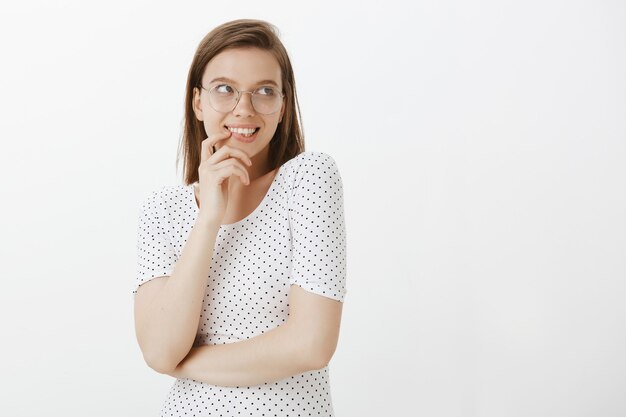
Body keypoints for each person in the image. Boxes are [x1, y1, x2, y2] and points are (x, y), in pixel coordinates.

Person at [132, 19, 348, 416]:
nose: (243, 109)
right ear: (198, 102)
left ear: (283, 106)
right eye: (225, 90)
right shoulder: (163, 210)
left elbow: (312, 345)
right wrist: (209, 217)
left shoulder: (309, 179)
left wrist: (182, 364)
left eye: (264, 91)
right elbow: (159, 347)